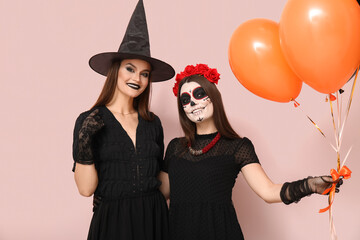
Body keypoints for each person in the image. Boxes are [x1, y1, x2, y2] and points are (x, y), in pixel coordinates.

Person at [158, 63, 343, 240]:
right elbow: (159, 193)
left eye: (199, 94)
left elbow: (268, 191)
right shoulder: (175, 147)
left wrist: (310, 185)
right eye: (185, 100)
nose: (193, 103)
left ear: (213, 96)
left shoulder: (237, 146)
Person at [72, 1, 175, 239]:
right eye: (130, 69)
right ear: (115, 71)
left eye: (144, 74)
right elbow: (86, 189)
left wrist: (174, 160)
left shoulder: (153, 123)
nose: (137, 78)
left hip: (154, 218)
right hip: (113, 221)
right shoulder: (89, 121)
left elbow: (162, 187)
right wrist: (85, 142)